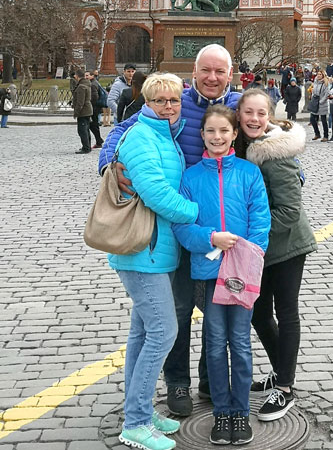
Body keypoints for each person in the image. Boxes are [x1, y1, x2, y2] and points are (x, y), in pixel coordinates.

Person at [99, 44, 240, 417]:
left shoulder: (240, 103)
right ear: (194, 71)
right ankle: (177, 384)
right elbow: (123, 131)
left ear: (230, 73)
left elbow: (269, 131)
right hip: (177, 228)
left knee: (217, 310)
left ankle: (212, 381)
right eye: (205, 70)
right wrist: (108, 164)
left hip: (219, 227)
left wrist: (291, 170)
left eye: (219, 72)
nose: (212, 78)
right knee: (175, 312)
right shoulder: (174, 101)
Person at [109, 73, 198, 450]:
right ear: (145, 101)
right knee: (164, 332)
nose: (168, 106)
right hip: (143, 251)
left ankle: (139, 408)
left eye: (174, 100)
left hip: (154, 250)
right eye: (160, 100)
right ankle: (136, 424)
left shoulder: (164, 134)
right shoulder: (143, 137)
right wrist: (198, 212)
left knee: (142, 333)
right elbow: (156, 193)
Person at [173, 105, 270, 444]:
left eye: (224, 131)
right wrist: (210, 239)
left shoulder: (248, 173)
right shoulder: (191, 177)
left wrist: (247, 255)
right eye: (211, 131)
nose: (217, 137)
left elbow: (260, 221)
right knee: (214, 345)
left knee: (241, 345)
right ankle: (221, 413)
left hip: (241, 275)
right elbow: (184, 228)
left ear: (234, 134)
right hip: (209, 273)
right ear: (202, 135)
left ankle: (240, 413)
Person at [234, 89, 317, 421]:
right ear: (238, 114)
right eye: (248, 112)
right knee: (257, 313)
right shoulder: (243, 146)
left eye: (261, 113)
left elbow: (289, 212)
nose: (254, 119)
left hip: (286, 246)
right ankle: (281, 370)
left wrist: (250, 238)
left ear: (269, 117)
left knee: (286, 312)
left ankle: (285, 387)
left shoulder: (274, 154)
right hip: (262, 248)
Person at [72, 68, 93, 153]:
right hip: (88, 110)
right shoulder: (86, 84)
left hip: (84, 111)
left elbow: (80, 102)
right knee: (86, 129)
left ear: (77, 76)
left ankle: (86, 148)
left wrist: (76, 112)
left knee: (82, 130)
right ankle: (87, 146)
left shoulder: (81, 86)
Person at [309, 70, 329, 142]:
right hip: (315, 102)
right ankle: (317, 134)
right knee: (312, 119)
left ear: (323, 75)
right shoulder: (315, 82)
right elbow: (314, 91)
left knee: (323, 120)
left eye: (320, 74)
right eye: (318, 74)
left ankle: (326, 136)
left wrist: (321, 101)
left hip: (322, 103)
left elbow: (327, 94)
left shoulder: (325, 83)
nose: (318, 75)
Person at [85, 71, 103, 148]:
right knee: (93, 125)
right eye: (85, 75)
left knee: (93, 125)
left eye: (87, 75)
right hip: (96, 107)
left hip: (94, 108)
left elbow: (94, 97)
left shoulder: (92, 84)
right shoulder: (95, 82)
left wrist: (89, 105)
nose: (85, 77)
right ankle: (99, 140)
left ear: (92, 76)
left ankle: (99, 141)